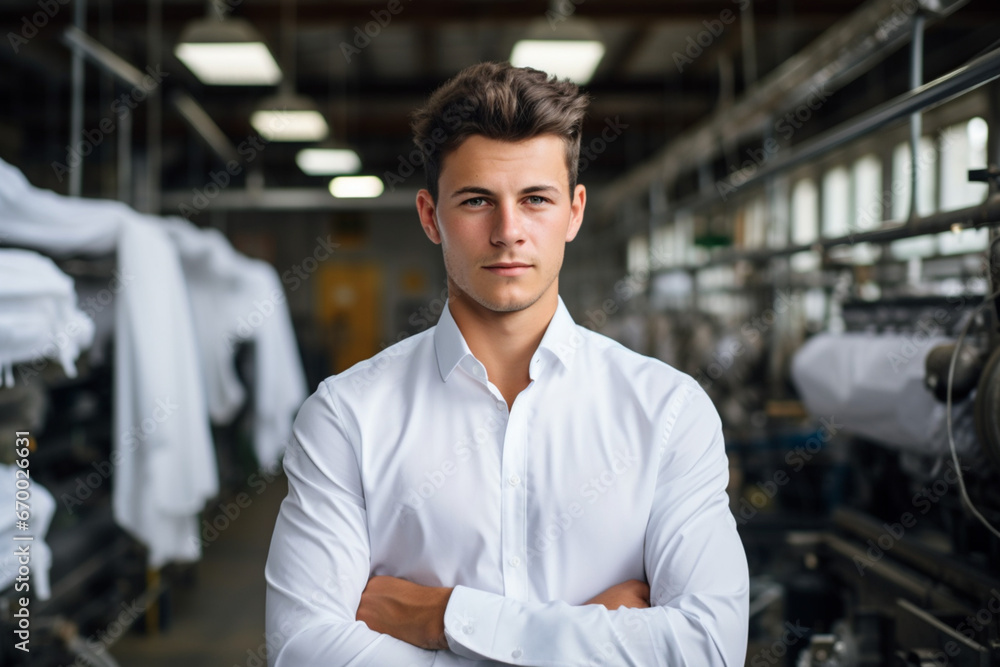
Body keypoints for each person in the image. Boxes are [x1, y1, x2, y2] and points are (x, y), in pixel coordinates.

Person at [264, 61, 749, 666]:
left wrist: (442, 618)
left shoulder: (669, 412)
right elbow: (304, 650)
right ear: (429, 216)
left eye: (535, 200)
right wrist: (593, 634)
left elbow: (708, 648)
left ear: (573, 211)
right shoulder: (346, 417)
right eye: (475, 201)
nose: (508, 231)